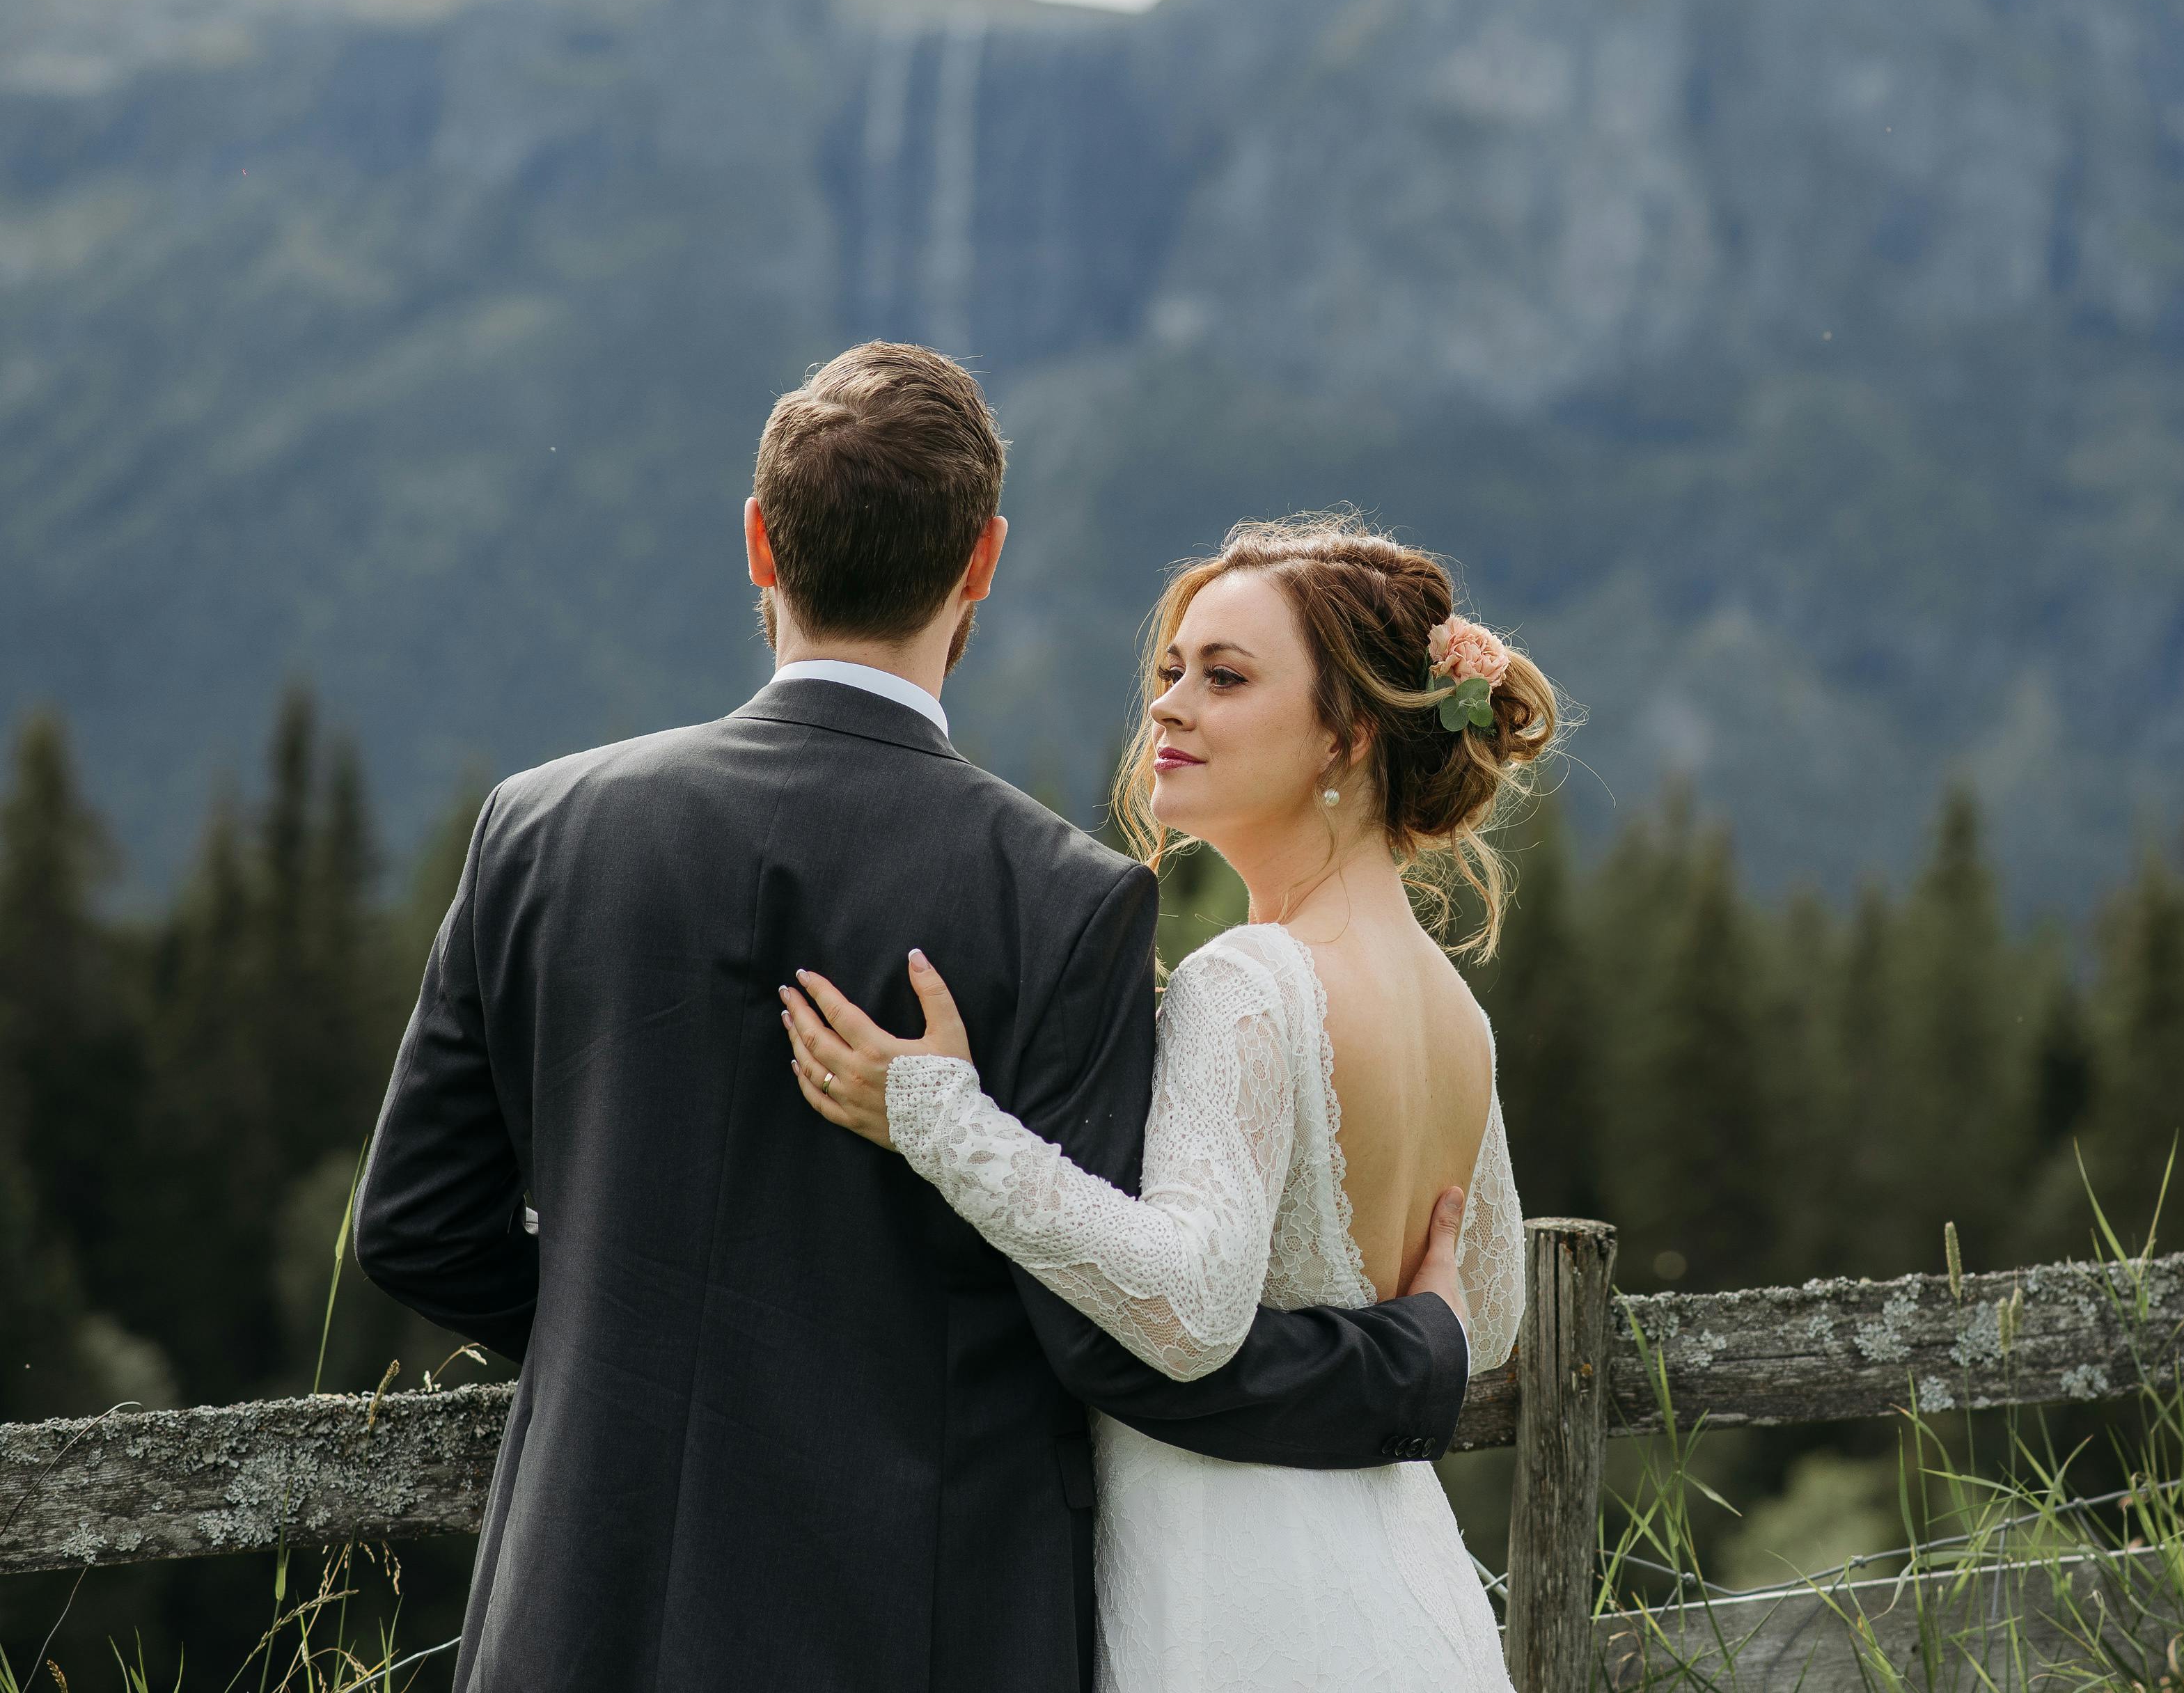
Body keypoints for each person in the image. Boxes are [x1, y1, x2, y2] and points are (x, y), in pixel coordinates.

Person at [353, 344, 1472, 1693]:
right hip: (920, 1616)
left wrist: (640, 1335)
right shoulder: (1061, 900)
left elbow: (418, 1228)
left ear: (761, 541)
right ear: (982, 559)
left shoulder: (540, 827)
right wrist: (1413, 1355)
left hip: (583, 1598)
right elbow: (1107, 1335)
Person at [783, 512, 1564, 1692]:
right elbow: (1488, 1314)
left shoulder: (1248, 982)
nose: (1170, 705)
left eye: (1226, 677)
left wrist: (942, 1121)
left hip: (1238, 1593)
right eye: (1169, 671)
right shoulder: (1458, 1012)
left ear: (1344, 736)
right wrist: (1418, 1330)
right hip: (1399, 1579)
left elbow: (1192, 1304)